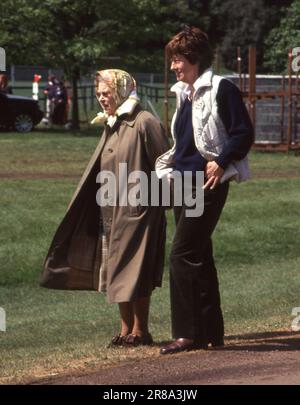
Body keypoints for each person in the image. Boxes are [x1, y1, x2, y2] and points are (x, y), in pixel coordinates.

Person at [40, 69, 170, 347]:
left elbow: (165, 168)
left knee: (136, 272)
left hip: (140, 213)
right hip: (110, 213)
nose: (101, 98)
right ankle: (125, 330)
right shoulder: (112, 124)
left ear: (121, 91)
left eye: (106, 93)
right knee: (114, 271)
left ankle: (141, 330)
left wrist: (160, 206)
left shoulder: (144, 122)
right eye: (98, 93)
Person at [156, 26, 254, 354]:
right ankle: (211, 331)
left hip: (206, 183)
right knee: (199, 255)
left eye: (178, 59)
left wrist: (222, 160)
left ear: (194, 58)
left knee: (182, 254)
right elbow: (185, 143)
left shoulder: (220, 88)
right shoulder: (185, 93)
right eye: (173, 60)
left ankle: (186, 333)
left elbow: (243, 133)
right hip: (182, 182)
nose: (173, 66)